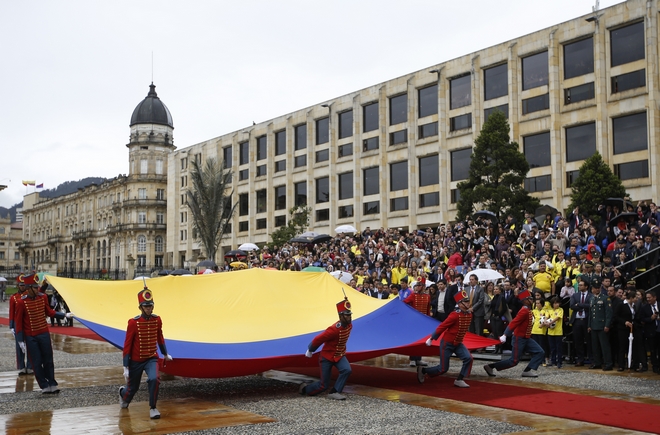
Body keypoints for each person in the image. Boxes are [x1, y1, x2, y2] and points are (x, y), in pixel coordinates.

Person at [14, 274, 73, 393]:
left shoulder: (43, 297)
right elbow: (18, 322)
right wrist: (20, 340)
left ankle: (52, 382)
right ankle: (44, 385)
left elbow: (49, 312)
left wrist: (64, 315)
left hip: (44, 333)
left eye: (37, 287)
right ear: (29, 288)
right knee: (36, 361)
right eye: (35, 287)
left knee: (48, 359)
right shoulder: (21, 302)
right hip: (31, 336)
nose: (37, 289)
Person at [119, 287, 173, 419]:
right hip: (136, 360)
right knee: (132, 389)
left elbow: (159, 337)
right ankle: (122, 393)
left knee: (155, 379)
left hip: (151, 358)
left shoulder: (157, 320)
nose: (148, 309)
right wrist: (125, 366)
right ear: (141, 308)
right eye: (146, 306)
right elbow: (127, 345)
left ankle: (153, 407)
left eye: (150, 306)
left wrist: (165, 354)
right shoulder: (133, 322)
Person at [300, 297, 353, 400]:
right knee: (323, 385)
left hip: (339, 355)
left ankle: (335, 392)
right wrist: (310, 350)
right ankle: (305, 389)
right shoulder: (334, 329)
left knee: (347, 370)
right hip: (327, 357)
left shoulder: (349, 326)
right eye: (347, 315)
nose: (349, 317)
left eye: (350, 315)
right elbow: (318, 339)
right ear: (341, 316)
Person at [417, 290, 473, 388]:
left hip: (458, 343)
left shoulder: (469, 314)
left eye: (468, 301)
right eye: (466, 302)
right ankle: (423, 370)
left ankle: (459, 379)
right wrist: (432, 338)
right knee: (443, 369)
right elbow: (442, 326)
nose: (468, 303)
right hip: (448, 343)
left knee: (468, 358)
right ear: (460, 304)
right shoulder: (454, 315)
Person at [483, 289, 545, 378]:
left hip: (526, 338)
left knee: (540, 352)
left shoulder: (528, 310)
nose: (532, 300)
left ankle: (527, 370)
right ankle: (490, 366)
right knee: (514, 361)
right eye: (530, 298)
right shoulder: (524, 310)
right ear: (525, 300)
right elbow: (514, 322)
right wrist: (505, 335)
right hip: (519, 338)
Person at [404, 280, 431, 367]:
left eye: (419, 285)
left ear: (423, 286)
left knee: (421, 341)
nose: (417, 287)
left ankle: (419, 359)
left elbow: (427, 309)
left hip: (423, 322)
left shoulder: (427, 296)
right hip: (414, 321)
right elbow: (404, 303)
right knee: (414, 340)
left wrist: (428, 319)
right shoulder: (413, 295)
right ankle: (412, 359)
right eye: (417, 285)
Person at [588, 279, 613, 371]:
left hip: (602, 325)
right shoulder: (592, 298)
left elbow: (609, 313)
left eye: (598, 288)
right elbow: (591, 313)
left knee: (604, 346)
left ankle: (608, 363)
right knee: (595, 346)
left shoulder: (605, 298)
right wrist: (589, 325)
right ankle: (597, 362)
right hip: (594, 325)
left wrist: (607, 325)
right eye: (595, 288)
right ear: (592, 289)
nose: (597, 290)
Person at [9, 274, 32, 375]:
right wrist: (11, 325)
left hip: (27, 322)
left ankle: (30, 366)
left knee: (31, 345)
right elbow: (11, 312)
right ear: (18, 285)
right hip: (17, 323)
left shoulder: (29, 295)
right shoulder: (14, 297)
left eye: (24, 285)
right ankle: (21, 367)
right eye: (21, 285)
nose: (22, 286)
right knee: (19, 346)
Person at [545, 296, 564, 368]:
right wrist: (545, 322)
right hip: (550, 332)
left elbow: (558, 317)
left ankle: (559, 362)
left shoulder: (560, 310)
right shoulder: (549, 310)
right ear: (552, 304)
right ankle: (553, 361)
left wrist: (550, 322)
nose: (557, 305)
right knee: (552, 348)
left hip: (558, 332)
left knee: (559, 348)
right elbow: (546, 316)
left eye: (558, 303)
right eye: (555, 303)